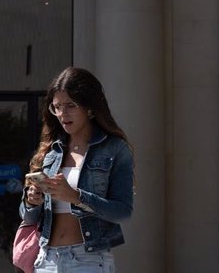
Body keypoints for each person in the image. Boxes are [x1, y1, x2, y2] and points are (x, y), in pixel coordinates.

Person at [19, 67, 134, 272]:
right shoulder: (51, 152)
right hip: (47, 260)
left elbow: (122, 212)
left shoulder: (114, 149)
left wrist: (76, 196)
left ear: (89, 108)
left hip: (88, 260)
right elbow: (28, 218)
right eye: (57, 107)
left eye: (70, 105)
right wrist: (31, 201)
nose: (62, 114)